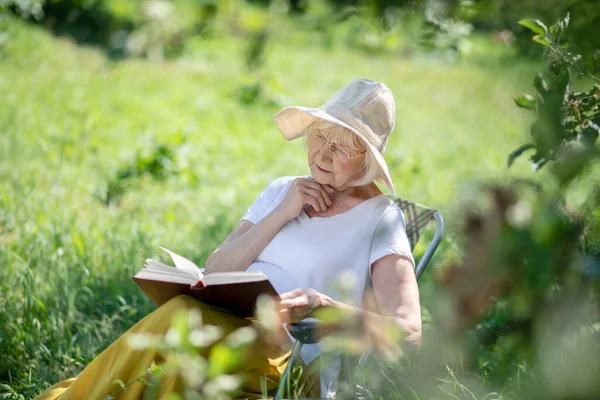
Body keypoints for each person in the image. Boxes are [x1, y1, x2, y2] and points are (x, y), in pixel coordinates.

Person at [35, 78, 421, 400]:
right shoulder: (283, 191)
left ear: (366, 160)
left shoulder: (381, 220)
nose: (322, 153)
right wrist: (282, 212)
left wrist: (323, 307)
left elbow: (409, 332)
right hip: (236, 327)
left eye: (339, 148)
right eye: (318, 137)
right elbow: (217, 268)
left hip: (298, 364)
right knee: (184, 315)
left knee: (183, 322)